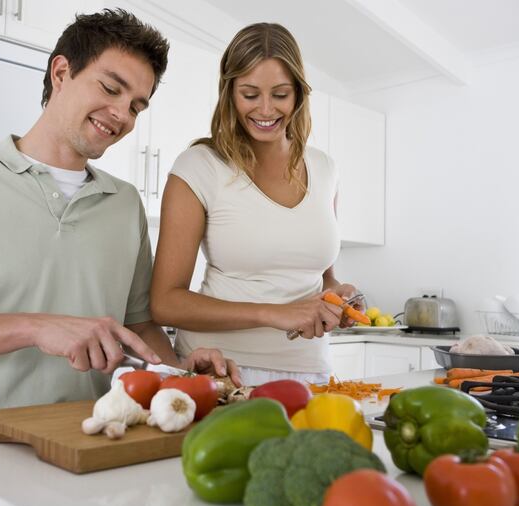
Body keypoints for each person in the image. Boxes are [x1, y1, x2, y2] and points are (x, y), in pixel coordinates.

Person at [0, 10, 240, 506]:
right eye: (110, 88)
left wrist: (179, 373)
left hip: (87, 445)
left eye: (136, 105)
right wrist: (37, 327)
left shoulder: (125, 204)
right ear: (61, 73)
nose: (122, 115)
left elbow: (139, 325)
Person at [150, 23, 364, 386]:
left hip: (311, 371)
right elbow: (165, 302)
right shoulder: (199, 167)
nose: (266, 109)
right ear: (230, 93)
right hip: (223, 371)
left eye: (280, 94)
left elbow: (324, 276)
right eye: (250, 94)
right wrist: (274, 313)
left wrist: (341, 296)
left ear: (298, 94)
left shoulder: (326, 169)